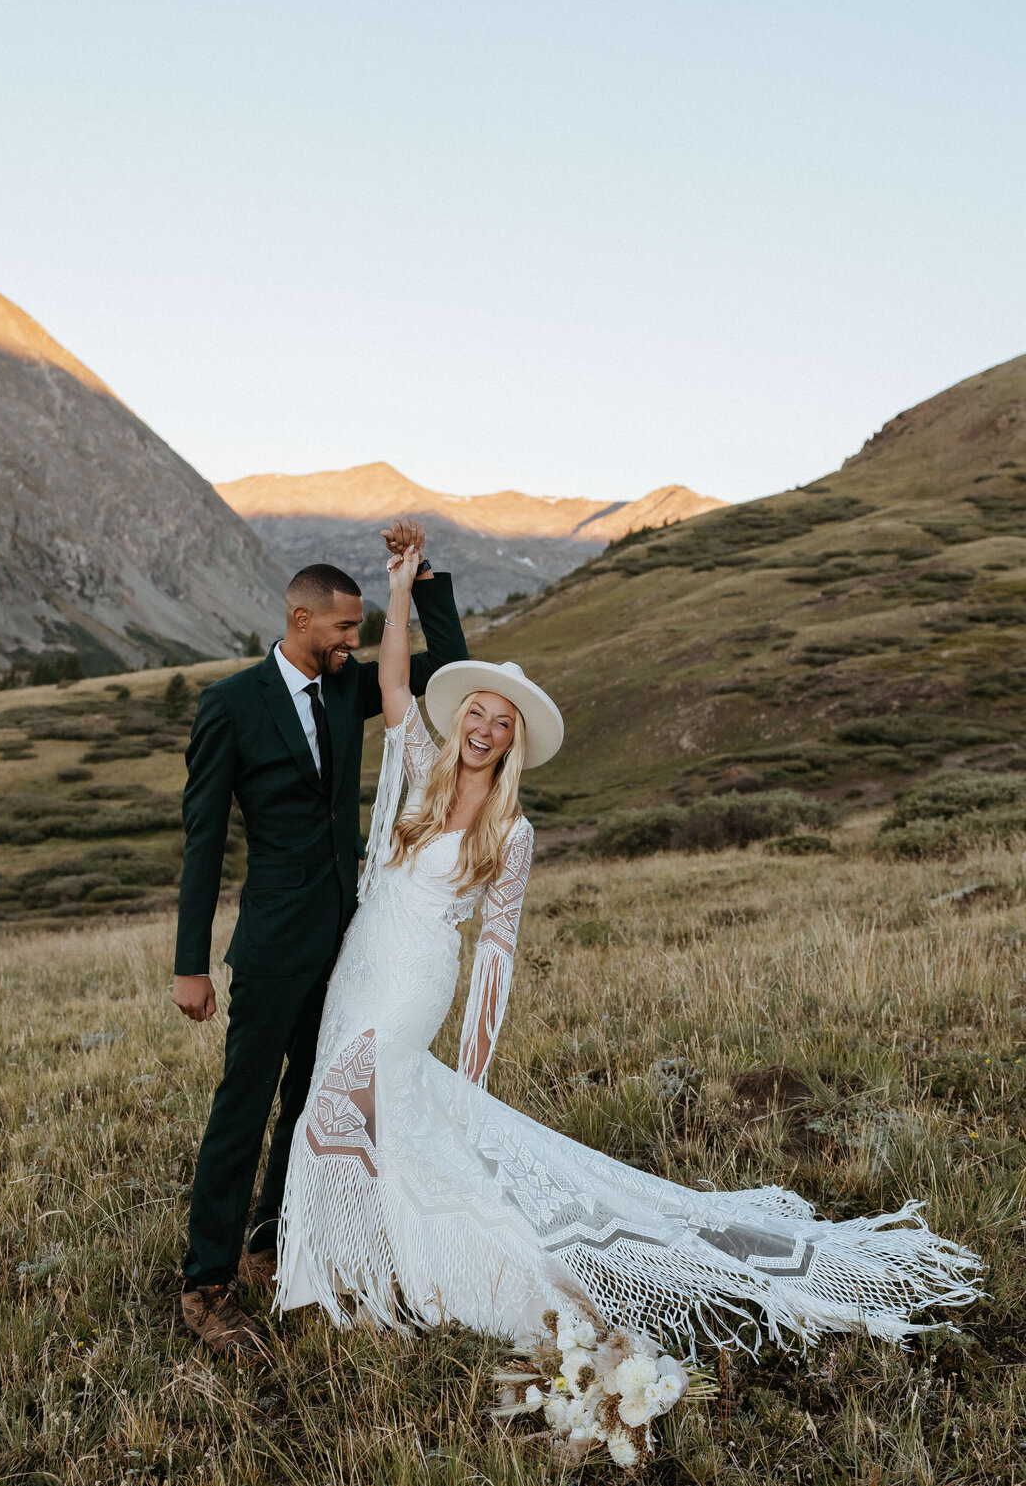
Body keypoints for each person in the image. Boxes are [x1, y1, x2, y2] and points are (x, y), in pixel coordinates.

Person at [275, 545, 979, 1352]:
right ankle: (355, 1261)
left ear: (511, 745)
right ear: (461, 714)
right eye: (478, 713)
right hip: (362, 960)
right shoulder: (419, 768)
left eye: (502, 726)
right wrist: (399, 592)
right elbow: (394, 683)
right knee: (358, 1107)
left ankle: (439, 1268)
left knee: (352, 1101)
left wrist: (476, 1050)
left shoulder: (515, 830)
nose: (484, 730)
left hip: (413, 981)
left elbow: (498, 947)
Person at [172, 520, 468, 1352]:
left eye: (359, 630)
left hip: (347, 943)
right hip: (269, 946)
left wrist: (423, 577)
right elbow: (202, 840)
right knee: (243, 1106)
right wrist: (189, 964)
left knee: (308, 1100)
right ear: (302, 619)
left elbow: (442, 669)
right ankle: (206, 1285)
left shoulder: (346, 687)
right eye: (345, 628)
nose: (355, 642)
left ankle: (271, 1242)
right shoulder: (229, 706)